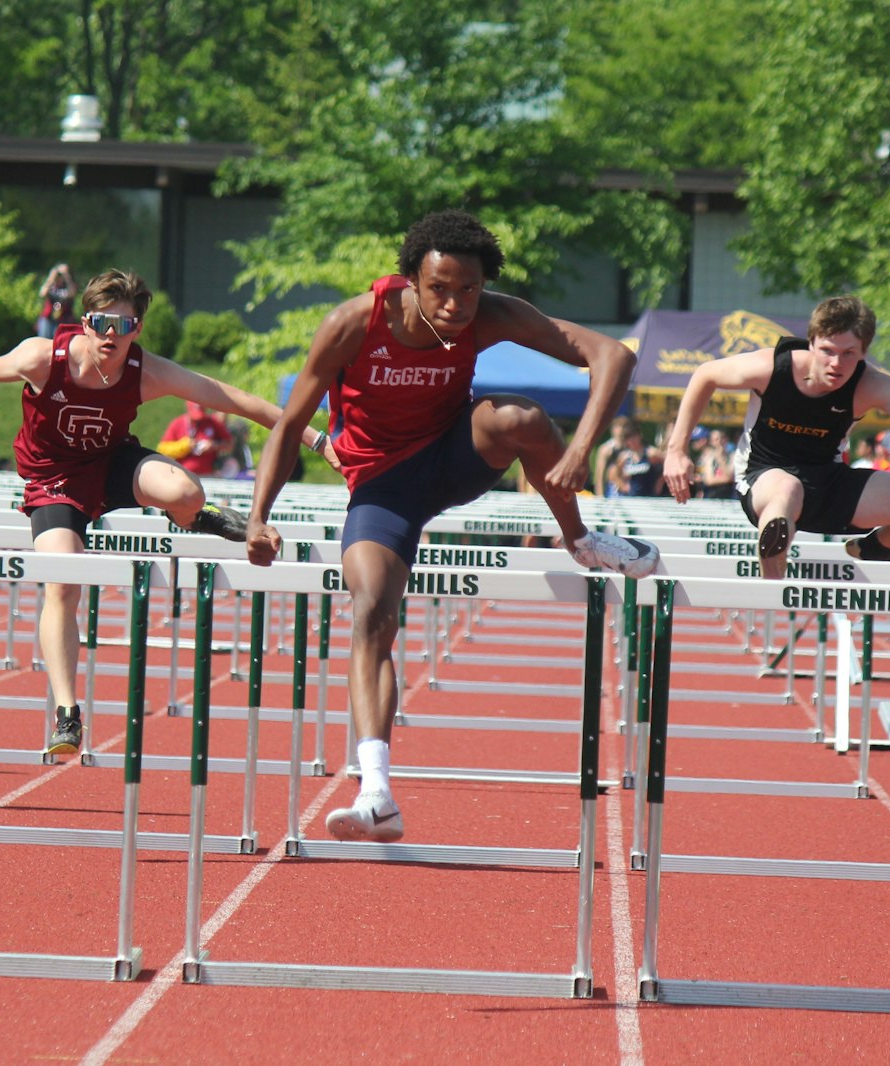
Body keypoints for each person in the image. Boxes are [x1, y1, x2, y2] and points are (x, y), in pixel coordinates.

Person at [244, 209, 657, 843]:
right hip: (382, 487)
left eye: (468, 289)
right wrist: (260, 517)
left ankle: (581, 539)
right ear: (411, 278)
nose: (456, 304)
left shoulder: (491, 313)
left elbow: (612, 356)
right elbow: (291, 423)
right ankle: (376, 791)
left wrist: (581, 448)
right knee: (371, 609)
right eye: (440, 288)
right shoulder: (352, 324)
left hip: (454, 454)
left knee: (519, 416)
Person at [0, 268, 334, 758]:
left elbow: (231, 397)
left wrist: (314, 437)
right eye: (101, 324)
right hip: (54, 479)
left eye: (122, 327)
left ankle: (189, 517)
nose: (110, 336)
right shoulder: (44, 357)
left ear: (137, 330)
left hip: (111, 464)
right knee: (63, 580)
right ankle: (67, 712)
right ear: (84, 323)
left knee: (187, 490)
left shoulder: (147, 372)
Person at [662, 294, 890, 580]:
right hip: (764, 478)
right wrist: (677, 449)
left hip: (828, 481)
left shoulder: (871, 386)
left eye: (849, 354)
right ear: (812, 342)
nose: (836, 364)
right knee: (787, 490)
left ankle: (873, 548)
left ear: (864, 353)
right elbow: (705, 375)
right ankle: (772, 587)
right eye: (828, 352)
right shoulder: (774, 367)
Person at [159, 400, 232, 476]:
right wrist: (185, 446)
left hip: (208, 474)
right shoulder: (177, 423)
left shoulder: (213, 422)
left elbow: (229, 444)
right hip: (183, 474)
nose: (197, 420)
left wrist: (214, 445)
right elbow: (163, 449)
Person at [37, 263, 79, 339]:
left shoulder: (70, 285)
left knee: (60, 342)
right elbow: (42, 293)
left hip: (64, 319)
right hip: (48, 318)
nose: (60, 276)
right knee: (44, 340)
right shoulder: (51, 285)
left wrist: (66, 276)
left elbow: (72, 293)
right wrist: (52, 277)